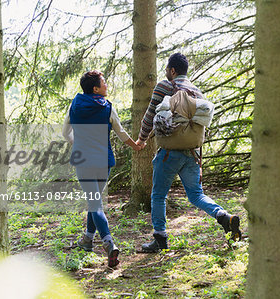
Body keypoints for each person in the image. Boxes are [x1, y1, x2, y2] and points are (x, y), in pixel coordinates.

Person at [135, 53, 242, 252]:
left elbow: (150, 115)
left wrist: (141, 139)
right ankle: (224, 216)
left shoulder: (164, 87)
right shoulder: (197, 92)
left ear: (172, 70)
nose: (166, 72)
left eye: (167, 68)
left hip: (169, 153)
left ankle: (160, 239)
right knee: (196, 195)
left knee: (158, 196)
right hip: (192, 153)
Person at [63, 70, 141, 267]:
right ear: (96, 88)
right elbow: (121, 133)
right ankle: (88, 239)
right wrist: (136, 145)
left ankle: (108, 243)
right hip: (103, 161)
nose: (106, 85)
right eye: (104, 83)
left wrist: (76, 142)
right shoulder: (107, 107)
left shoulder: (75, 104)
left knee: (94, 202)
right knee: (95, 201)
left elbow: (65, 132)